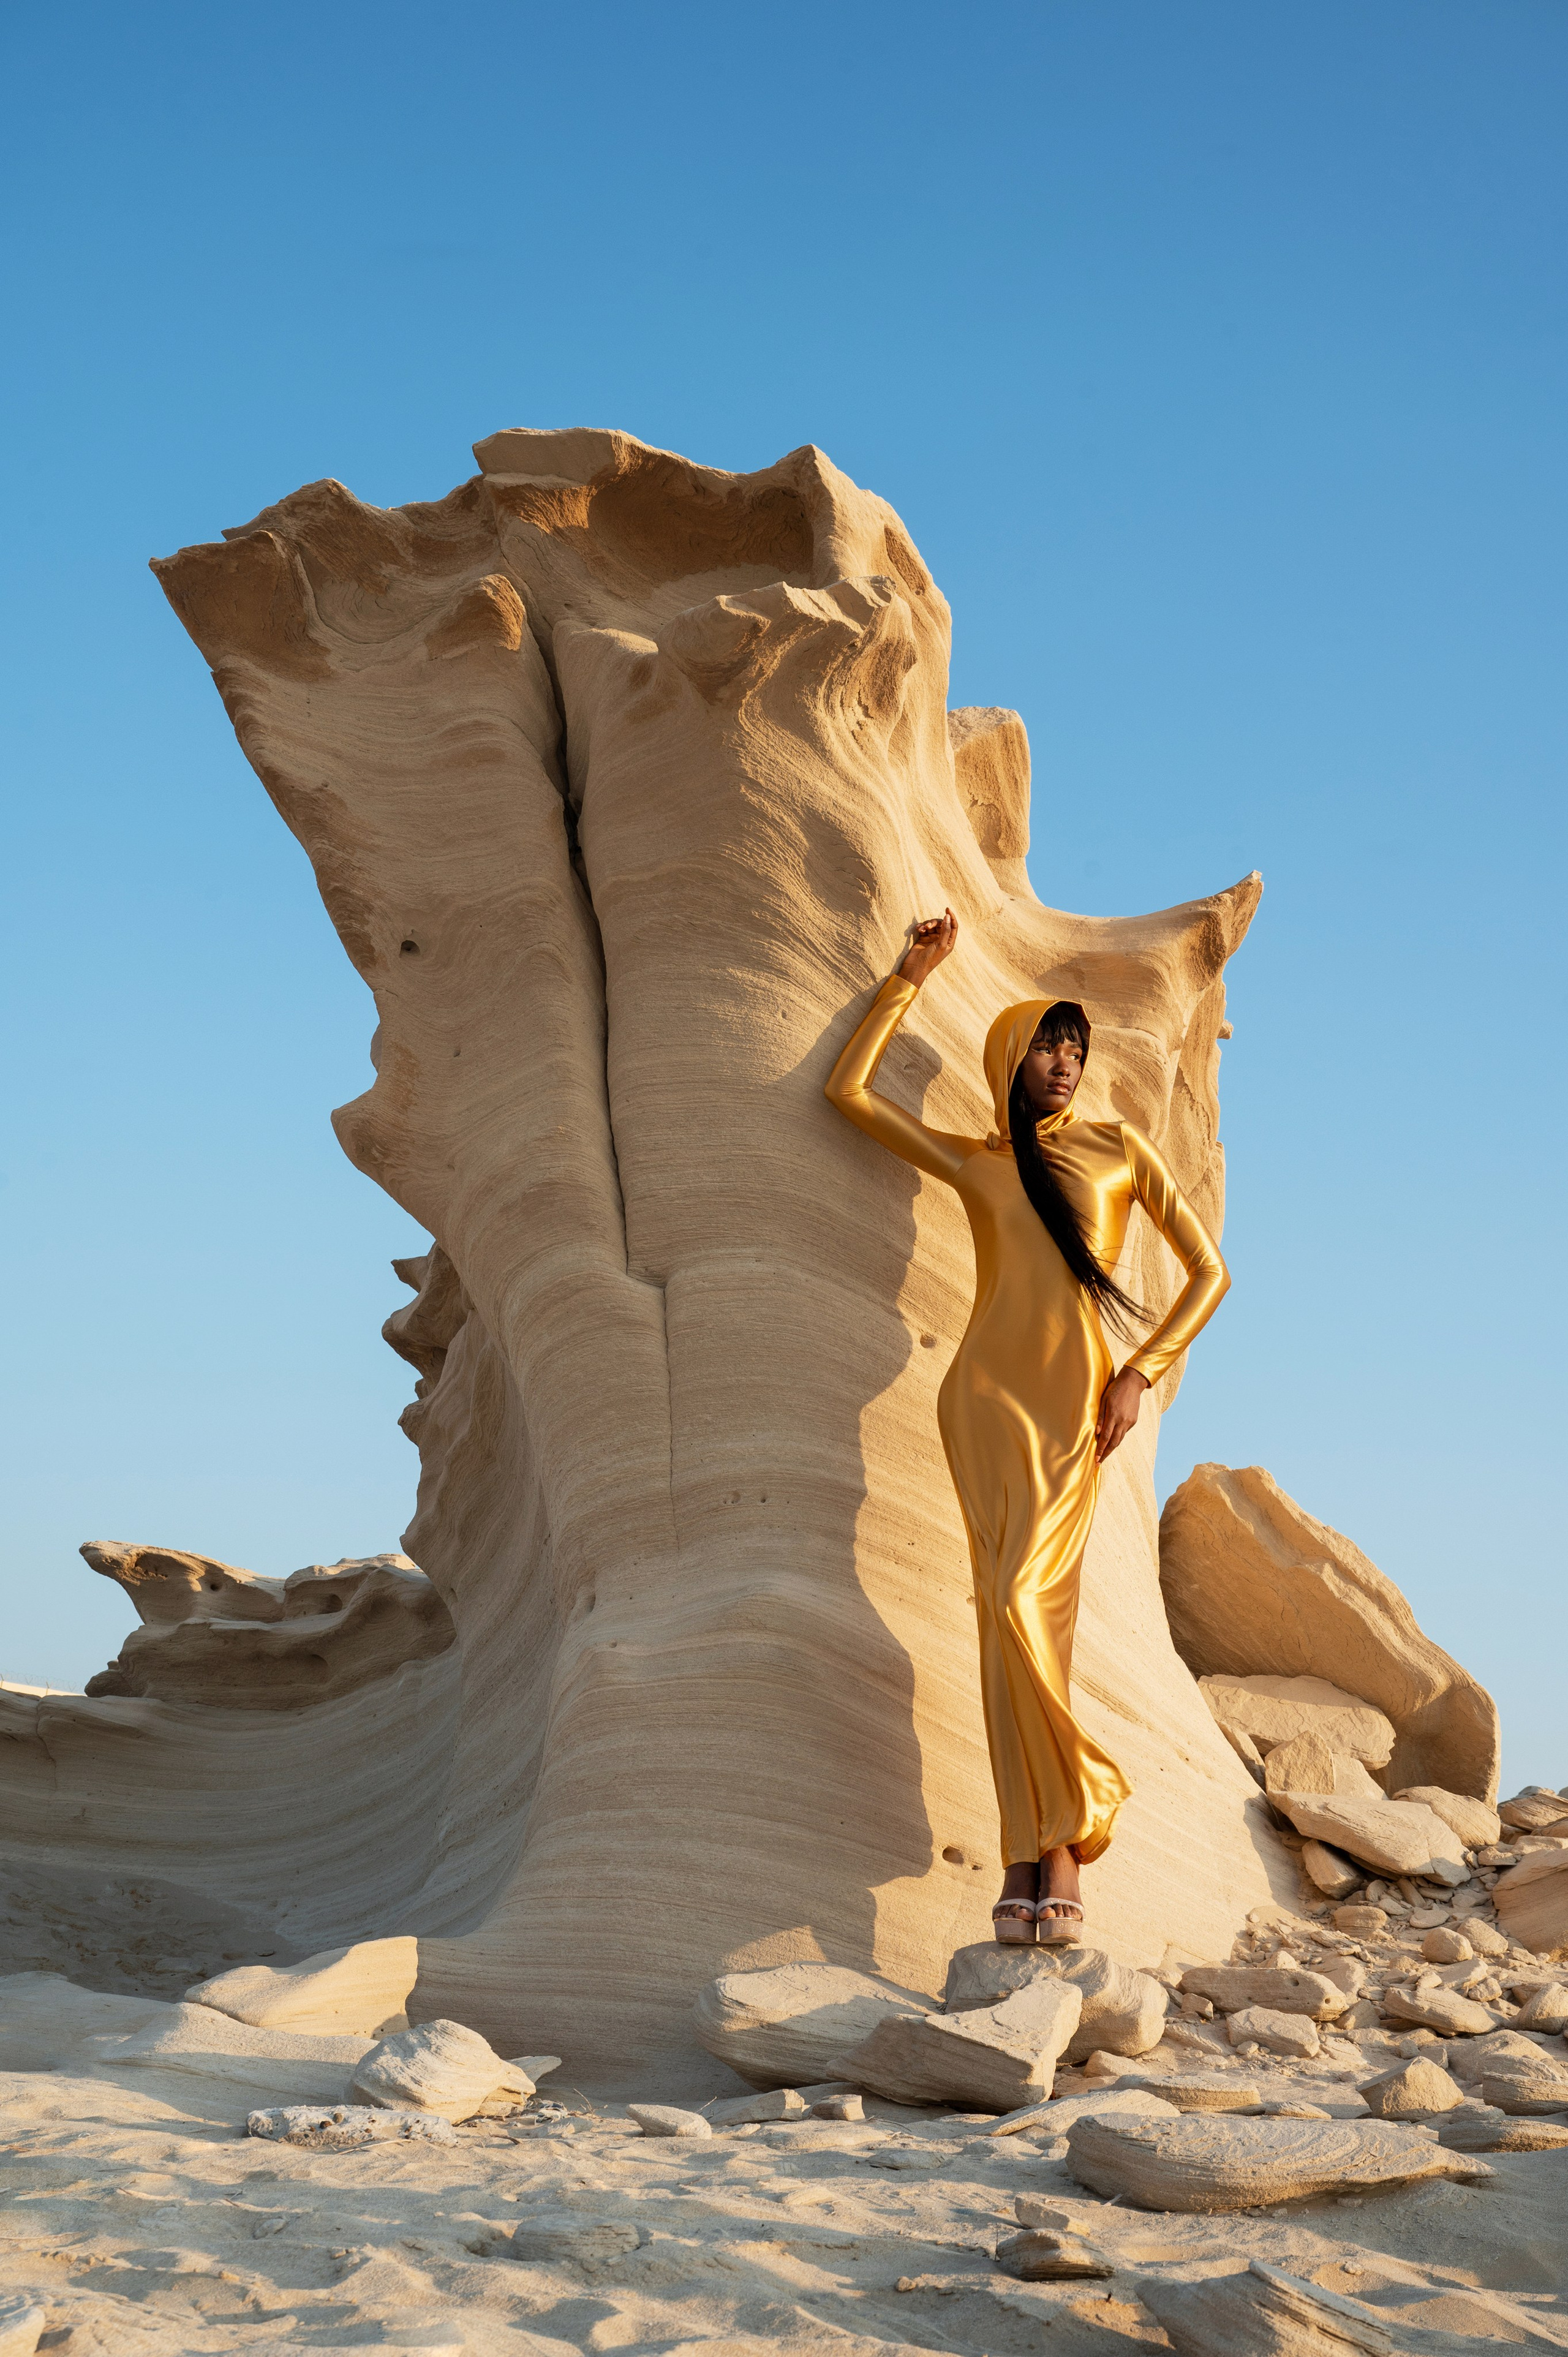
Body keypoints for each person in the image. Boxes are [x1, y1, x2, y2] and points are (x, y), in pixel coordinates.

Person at [824, 909, 1230, 1944]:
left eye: (1079, 1048)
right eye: (1051, 1043)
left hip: (1073, 1412)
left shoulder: (1117, 1148)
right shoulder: (977, 1161)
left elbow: (1211, 1274)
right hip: (980, 1405)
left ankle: (1070, 1834)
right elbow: (850, 1094)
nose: (1066, 1062)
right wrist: (910, 978)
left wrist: (1141, 1371)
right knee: (1000, 1629)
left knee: (1021, 1606)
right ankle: (1026, 1857)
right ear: (1014, 1053)